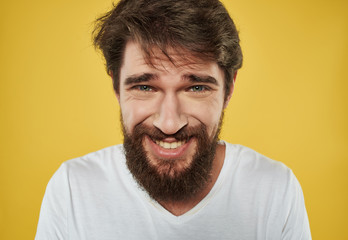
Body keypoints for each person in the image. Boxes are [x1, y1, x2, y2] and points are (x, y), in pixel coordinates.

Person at [35, 0, 311, 239]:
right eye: (144, 87)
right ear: (116, 88)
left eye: (197, 88)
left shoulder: (276, 189)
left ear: (228, 89)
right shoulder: (72, 188)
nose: (169, 124)